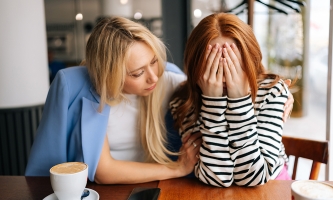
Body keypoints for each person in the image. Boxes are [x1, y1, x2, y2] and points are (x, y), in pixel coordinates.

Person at [25, 16, 202, 184]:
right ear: (110, 75)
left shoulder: (169, 78)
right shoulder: (73, 85)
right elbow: (103, 171)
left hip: (158, 185)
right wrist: (176, 169)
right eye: (137, 73)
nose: (153, 77)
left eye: (154, 61)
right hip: (96, 191)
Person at [169, 13, 293, 187]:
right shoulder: (184, 102)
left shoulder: (272, 92)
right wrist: (212, 102)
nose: (226, 76)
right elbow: (217, 178)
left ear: (251, 60)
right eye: (213, 66)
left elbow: (254, 178)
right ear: (195, 66)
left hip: (272, 188)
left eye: (234, 64)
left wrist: (239, 100)